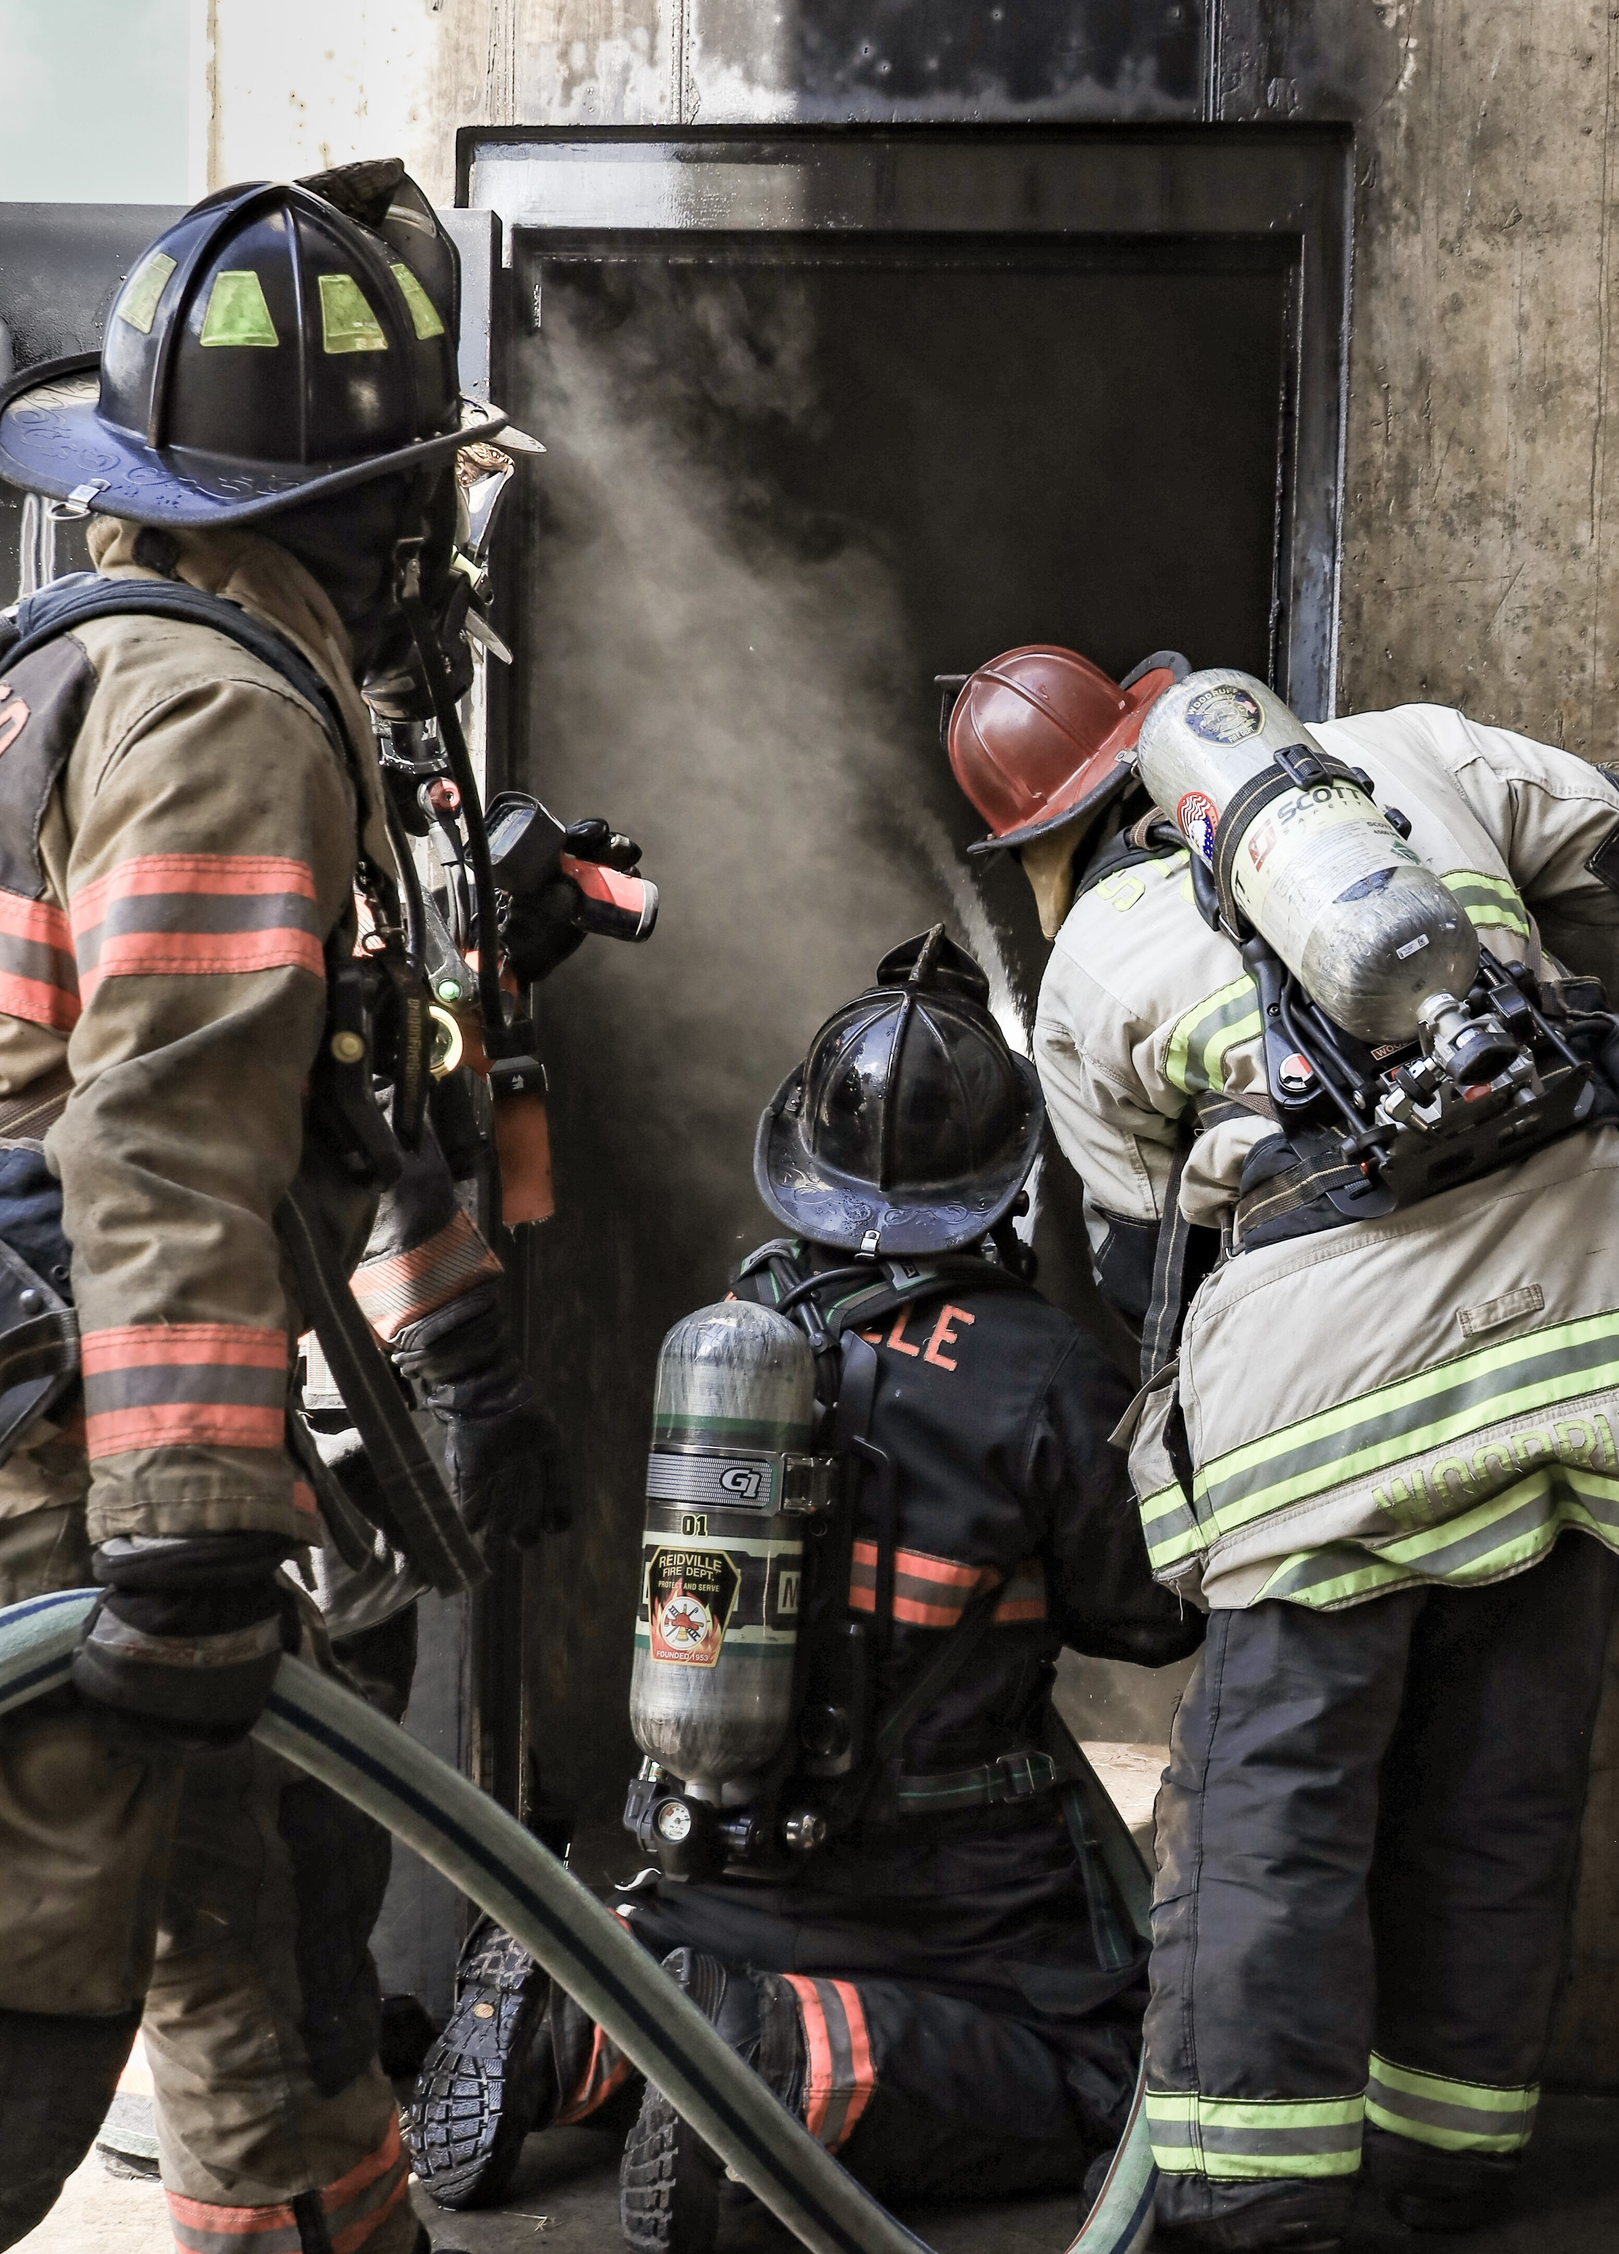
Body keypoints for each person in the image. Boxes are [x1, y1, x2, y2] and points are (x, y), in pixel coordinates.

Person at [947, 648, 1619, 2252]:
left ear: (1042, 838)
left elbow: (1138, 1268)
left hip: (1336, 1411)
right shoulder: (1401, 748)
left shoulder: (1089, 964)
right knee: (1502, 1775)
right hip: (1610, 1334)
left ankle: (1256, 2190)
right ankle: (1452, 2159)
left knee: (1276, 1795)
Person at [0, 161, 561, 2254]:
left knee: (263, 1994)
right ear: (361, 508)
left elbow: (316, 1127)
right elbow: (154, 1152)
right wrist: (188, 1544)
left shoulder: (78, 659)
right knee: (34, 2019)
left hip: (77, 1437)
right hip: (58, 1476)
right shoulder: (231, 707)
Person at [405, 928, 1204, 2254]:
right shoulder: (1044, 1366)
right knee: (1105, 2067)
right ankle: (774, 2062)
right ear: (1000, 1179)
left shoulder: (742, 1322)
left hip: (706, 1851)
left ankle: (574, 2014)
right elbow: (1151, 1610)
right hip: (945, 1893)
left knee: (688, 1949)